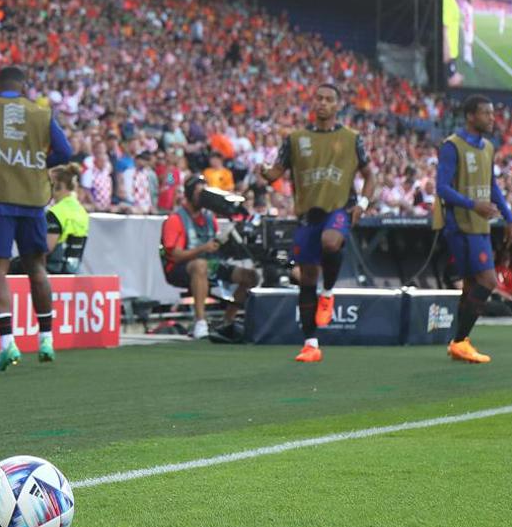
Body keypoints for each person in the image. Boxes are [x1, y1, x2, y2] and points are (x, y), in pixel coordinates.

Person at [0, 64, 74, 371]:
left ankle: (8, 344)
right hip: (33, 200)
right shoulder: (41, 114)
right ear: (23, 88)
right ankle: (46, 339)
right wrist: (40, 162)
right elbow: (66, 151)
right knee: (37, 267)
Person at [259, 83, 376, 363]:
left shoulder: (351, 138)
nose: (322, 103)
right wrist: (264, 173)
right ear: (314, 104)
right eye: (319, 99)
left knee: (331, 241)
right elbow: (275, 172)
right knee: (306, 277)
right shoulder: (296, 138)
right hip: (306, 214)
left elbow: (370, 176)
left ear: (338, 106)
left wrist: (361, 204)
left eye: (329, 99)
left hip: (339, 208)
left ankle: (329, 291)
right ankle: (311, 343)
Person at [435, 95, 512, 364]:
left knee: (471, 285)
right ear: (471, 116)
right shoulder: (452, 146)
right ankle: (459, 340)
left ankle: (460, 343)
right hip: (461, 224)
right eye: (487, 113)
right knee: (488, 281)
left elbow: (491, 184)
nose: (492, 118)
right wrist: (473, 205)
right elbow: (442, 188)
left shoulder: (489, 147)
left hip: (481, 225)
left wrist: (508, 216)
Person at [160, 175, 257, 343]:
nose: (204, 197)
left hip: (210, 263)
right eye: (200, 192)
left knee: (250, 276)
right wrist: (203, 248)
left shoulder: (209, 218)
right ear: (190, 194)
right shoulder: (175, 219)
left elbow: (215, 245)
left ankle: (227, 321)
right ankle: (200, 322)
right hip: (180, 268)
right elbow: (174, 255)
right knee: (200, 265)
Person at [45, 162, 90, 274]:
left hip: (52, 271)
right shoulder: (82, 211)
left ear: (58, 185)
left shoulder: (55, 212)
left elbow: (46, 249)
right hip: (73, 271)